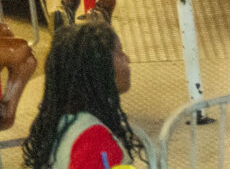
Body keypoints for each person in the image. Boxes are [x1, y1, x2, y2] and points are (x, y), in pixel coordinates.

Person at [19, 18, 143, 169]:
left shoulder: (64, 120)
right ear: (98, 68)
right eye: (119, 53)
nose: (127, 59)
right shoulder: (93, 140)